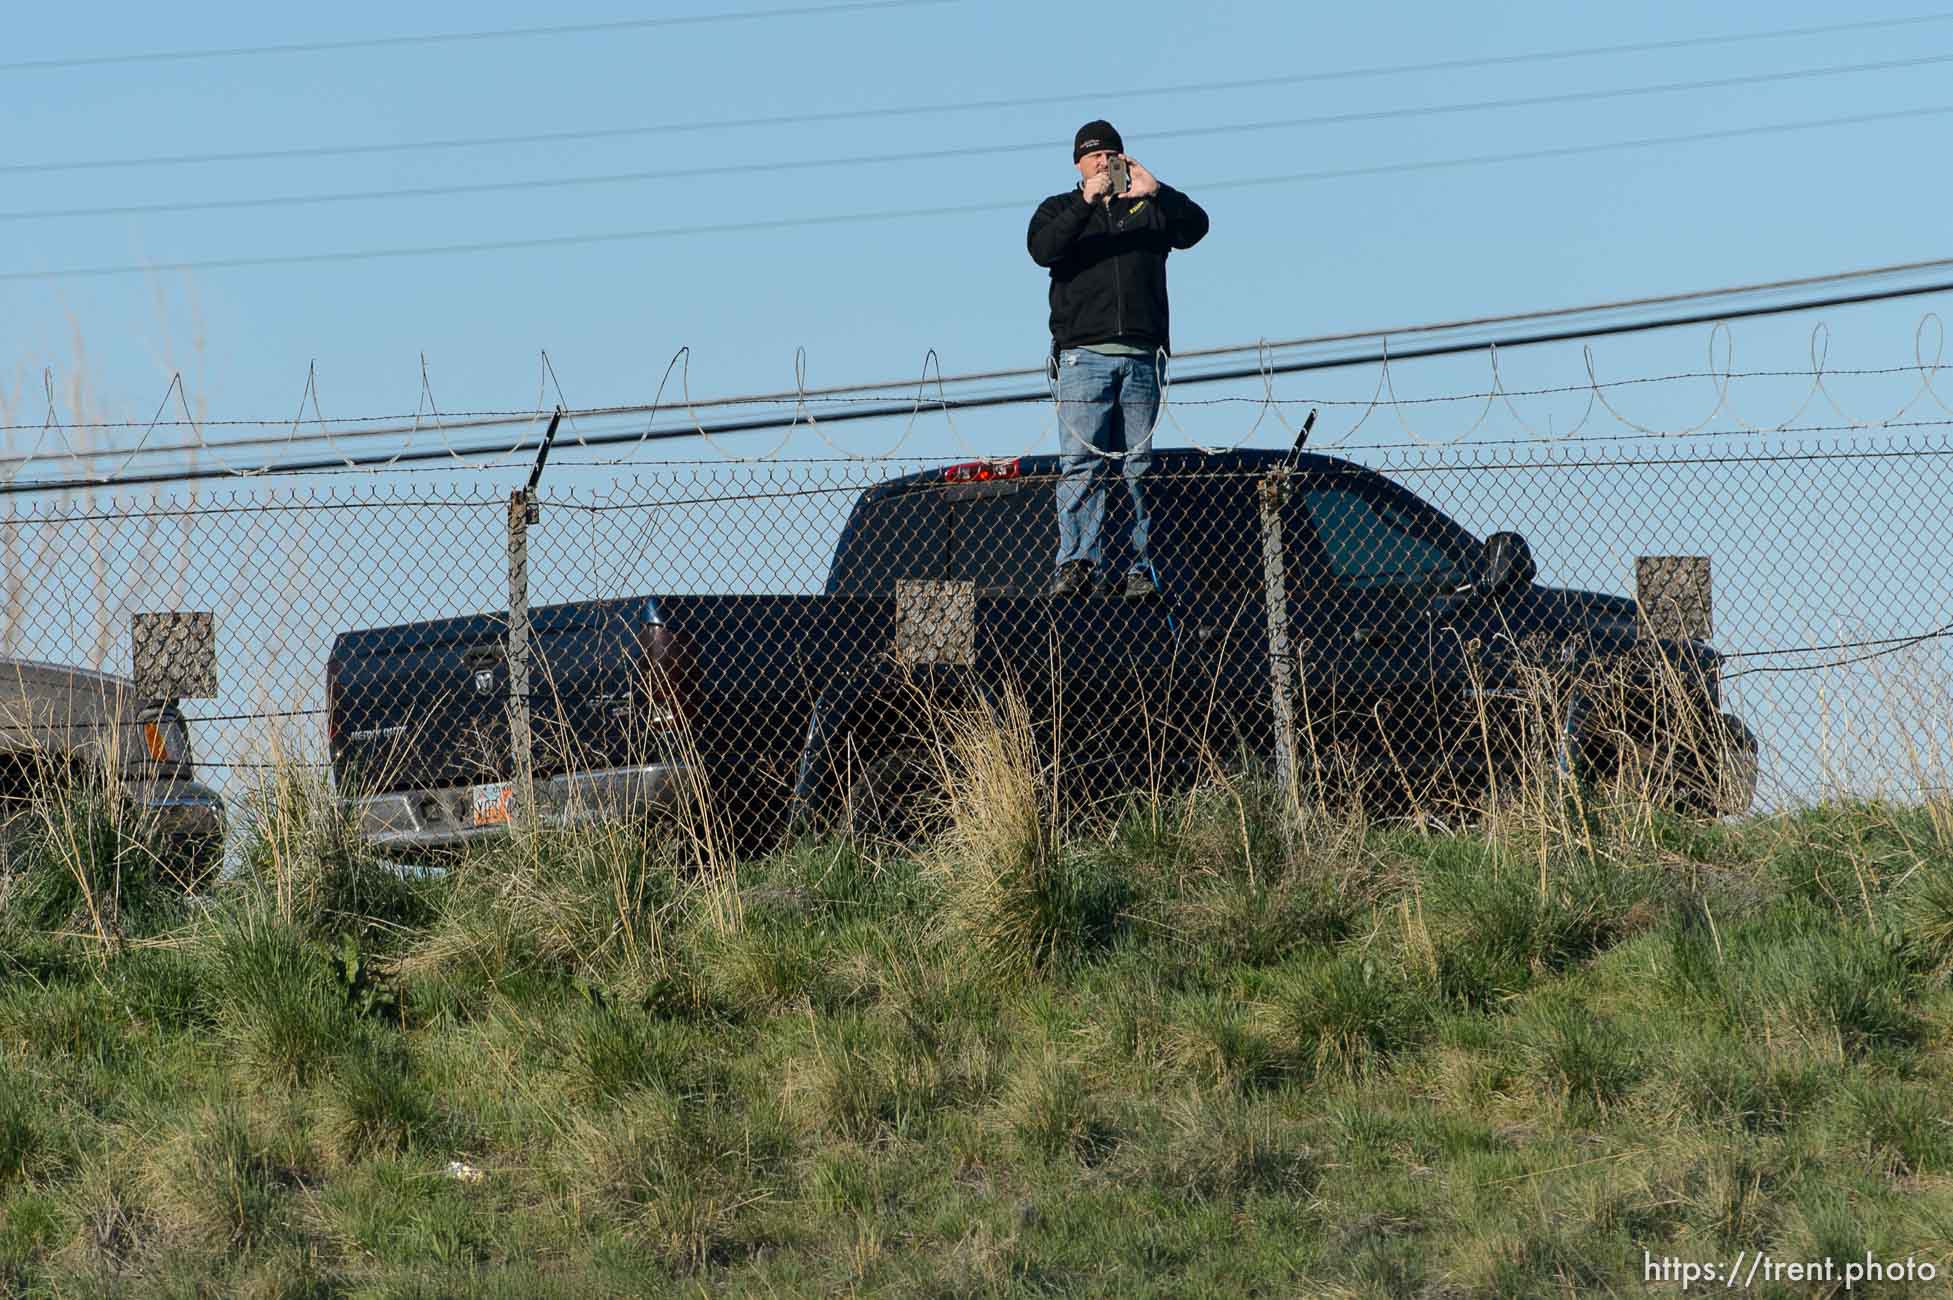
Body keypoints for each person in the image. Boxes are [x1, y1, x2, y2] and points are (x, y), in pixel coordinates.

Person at [1027, 119, 1209, 598]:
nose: (1103, 163)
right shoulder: (1060, 209)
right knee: (1081, 464)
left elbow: (1197, 227)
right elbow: (1042, 249)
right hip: (1082, 357)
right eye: (1093, 157)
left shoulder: (1149, 209)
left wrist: (1159, 191)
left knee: (1138, 468)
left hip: (1142, 359)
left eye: (1110, 155)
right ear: (1078, 165)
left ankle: (1139, 567)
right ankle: (1078, 565)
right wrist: (1087, 202)